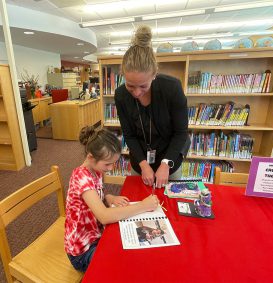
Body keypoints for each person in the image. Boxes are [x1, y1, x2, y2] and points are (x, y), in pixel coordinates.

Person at [64, 125, 159, 272]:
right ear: (90, 157)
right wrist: (143, 205)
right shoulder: (81, 177)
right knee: (124, 265)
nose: (111, 168)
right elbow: (104, 216)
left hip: (96, 236)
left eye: (114, 163)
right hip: (82, 252)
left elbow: (94, 198)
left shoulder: (96, 170)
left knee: (135, 248)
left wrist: (109, 197)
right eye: (107, 164)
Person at [115, 25, 189, 189]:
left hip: (170, 158)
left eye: (143, 86)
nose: (136, 93)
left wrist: (165, 163)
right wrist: (143, 164)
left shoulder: (172, 88)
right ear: (123, 76)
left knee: (171, 205)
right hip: (140, 160)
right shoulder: (120, 95)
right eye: (130, 85)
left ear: (154, 75)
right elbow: (129, 134)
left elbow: (181, 132)